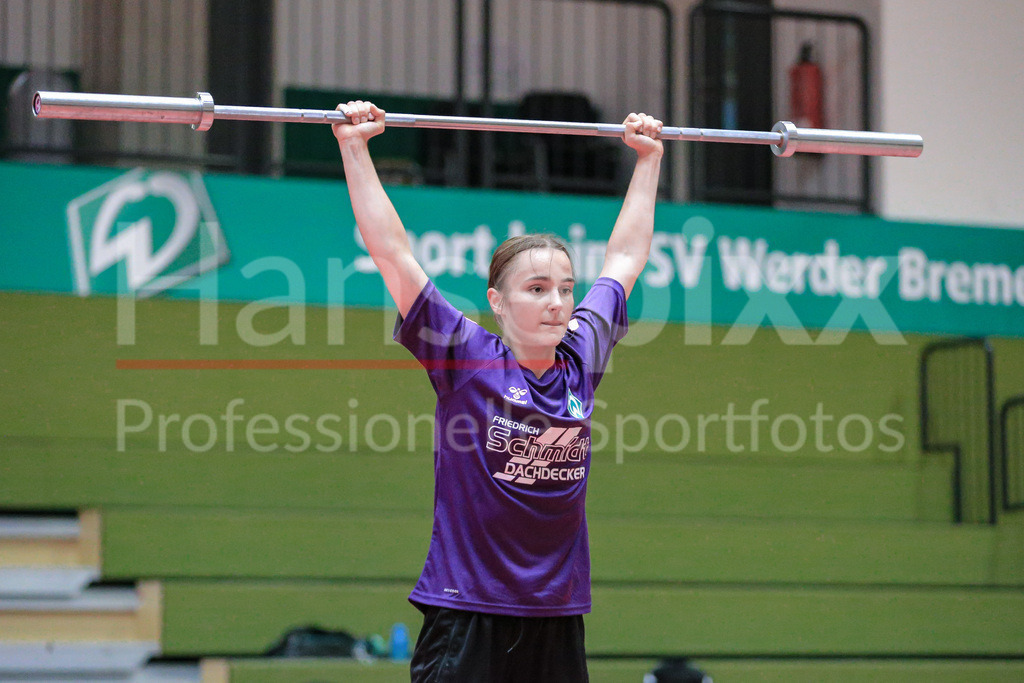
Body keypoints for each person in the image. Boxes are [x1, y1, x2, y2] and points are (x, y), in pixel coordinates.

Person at [333, 100, 663, 682]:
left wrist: (648, 159)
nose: (558, 302)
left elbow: (627, 255)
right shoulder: (463, 355)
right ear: (498, 301)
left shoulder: (583, 355)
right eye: (537, 288)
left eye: (565, 287)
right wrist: (354, 148)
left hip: (556, 617)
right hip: (468, 614)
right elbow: (391, 252)